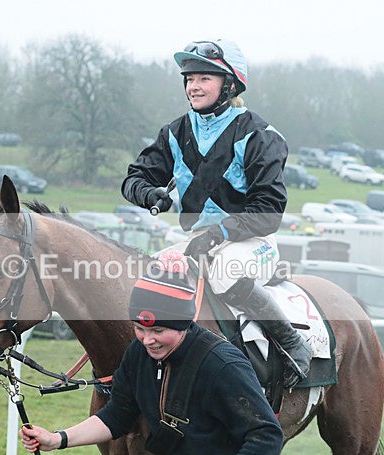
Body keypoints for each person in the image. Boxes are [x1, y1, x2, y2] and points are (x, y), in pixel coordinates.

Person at [120, 39, 312, 388]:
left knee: (223, 272)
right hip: (199, 240)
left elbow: (268, 211)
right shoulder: (175, 132)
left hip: (253, 240)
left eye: (205, 78)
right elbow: (134, 178)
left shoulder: (260, 135)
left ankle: (291, 344)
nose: (194, 86)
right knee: (146, 278)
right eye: (189, 78)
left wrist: (220, 233)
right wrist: (151, 193)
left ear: (230, 84)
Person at [20, 268, 285, 455]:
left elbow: (266, 437)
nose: (148, 340)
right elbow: (117, 414)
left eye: (158, 330)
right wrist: (57, 439)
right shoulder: (138, 353)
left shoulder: (223, 365)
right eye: (139, 329)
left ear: (183, 323)